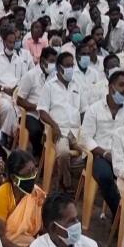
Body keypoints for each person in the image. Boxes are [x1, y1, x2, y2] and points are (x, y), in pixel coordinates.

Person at [79, 69, 124, 219]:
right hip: (97, 155)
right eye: (121, 85)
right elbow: (86, 138)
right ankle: (119, 218)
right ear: (111, 87)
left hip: (121, 154)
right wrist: (105, 153)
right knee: (106, 176)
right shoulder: (94, 110)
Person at [36, 51, 81, 190]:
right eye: (67, 65)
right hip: (59, 131)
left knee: (92, 154)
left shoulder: (77, 85)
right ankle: (65, 183)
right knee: (63, 153)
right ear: (59, 67)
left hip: (77, 131)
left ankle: (62, 175)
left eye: (72, 65)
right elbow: (42, 111)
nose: (70, 68)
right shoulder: (49, 86)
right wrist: (54, 125)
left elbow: (84, 110)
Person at [16, 46, 58, 158]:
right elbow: (19, 100)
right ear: (43, 60)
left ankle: (50, 158)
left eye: (55, 61)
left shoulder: (54, 77)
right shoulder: (30, 75)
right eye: (51, 61)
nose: (54, 64)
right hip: (31, 114)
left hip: (48, 113)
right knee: (36, 131)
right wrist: (37, 107)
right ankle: (38, 156)